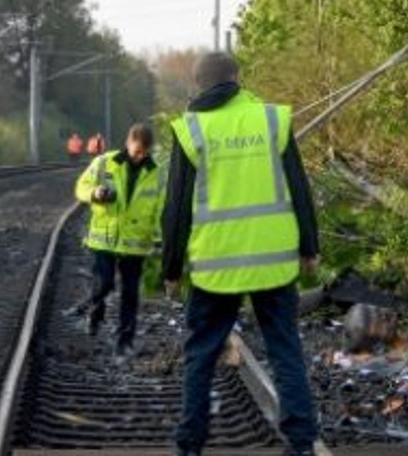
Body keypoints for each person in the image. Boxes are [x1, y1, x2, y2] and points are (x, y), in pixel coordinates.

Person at [163, 51, 320, 456]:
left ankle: (190, 445)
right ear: (237, 77)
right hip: (273, 259)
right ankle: (302, 443)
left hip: (215, 264)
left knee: (201, 354)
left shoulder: (191, 128)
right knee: (284, 348)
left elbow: (176, 207)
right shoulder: (270, 119)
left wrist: (172, 268)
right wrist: (310, 248)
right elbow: (299, 187)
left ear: (197, 84)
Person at [71, 123, 163, 358]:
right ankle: (95, 309)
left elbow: (160, 208)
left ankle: (125, 341)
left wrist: (159, 238)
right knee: (104, 283)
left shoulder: (156, 173)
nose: (140, 157)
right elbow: (81, 187)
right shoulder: (104, 162)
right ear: (128, 143)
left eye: (145, 152)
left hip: (136, 243)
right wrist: (94, 193)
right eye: (137, 151)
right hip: (105, 239)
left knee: (130, 295)